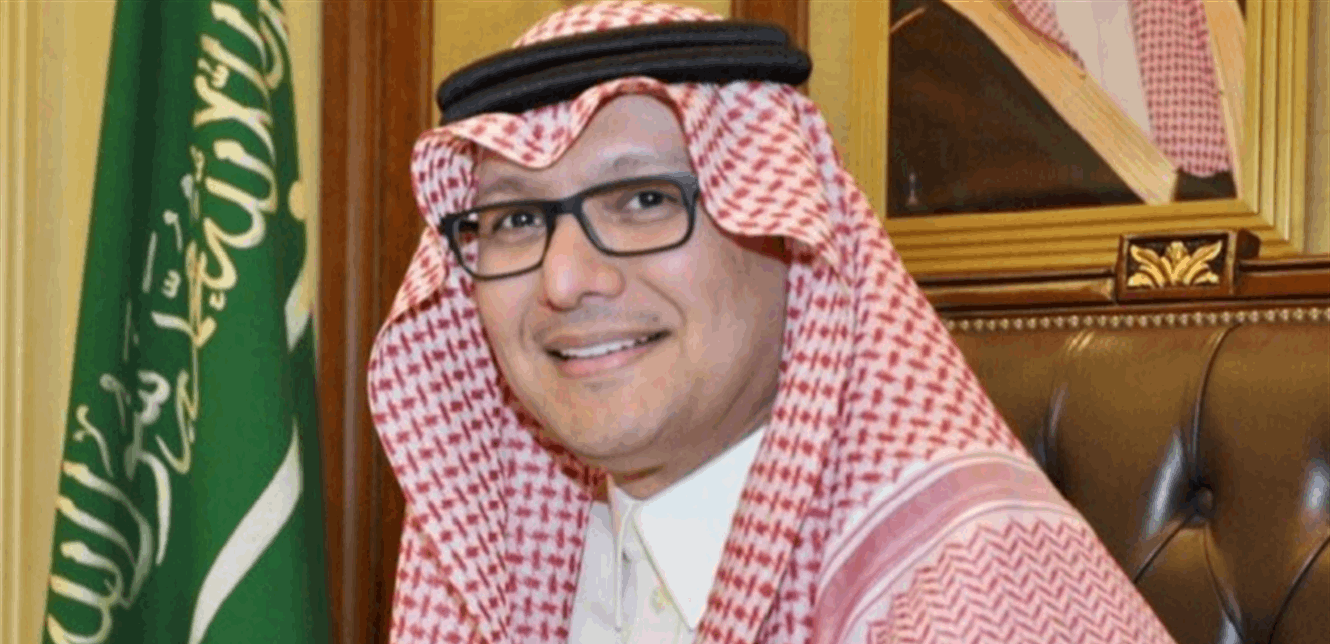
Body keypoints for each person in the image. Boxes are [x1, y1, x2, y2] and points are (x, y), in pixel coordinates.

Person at [367, 2, 1178, 642]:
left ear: (786, 233)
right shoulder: (517, 565)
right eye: (514, 220)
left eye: (644, 200)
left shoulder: (973, 599)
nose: (566, 279)